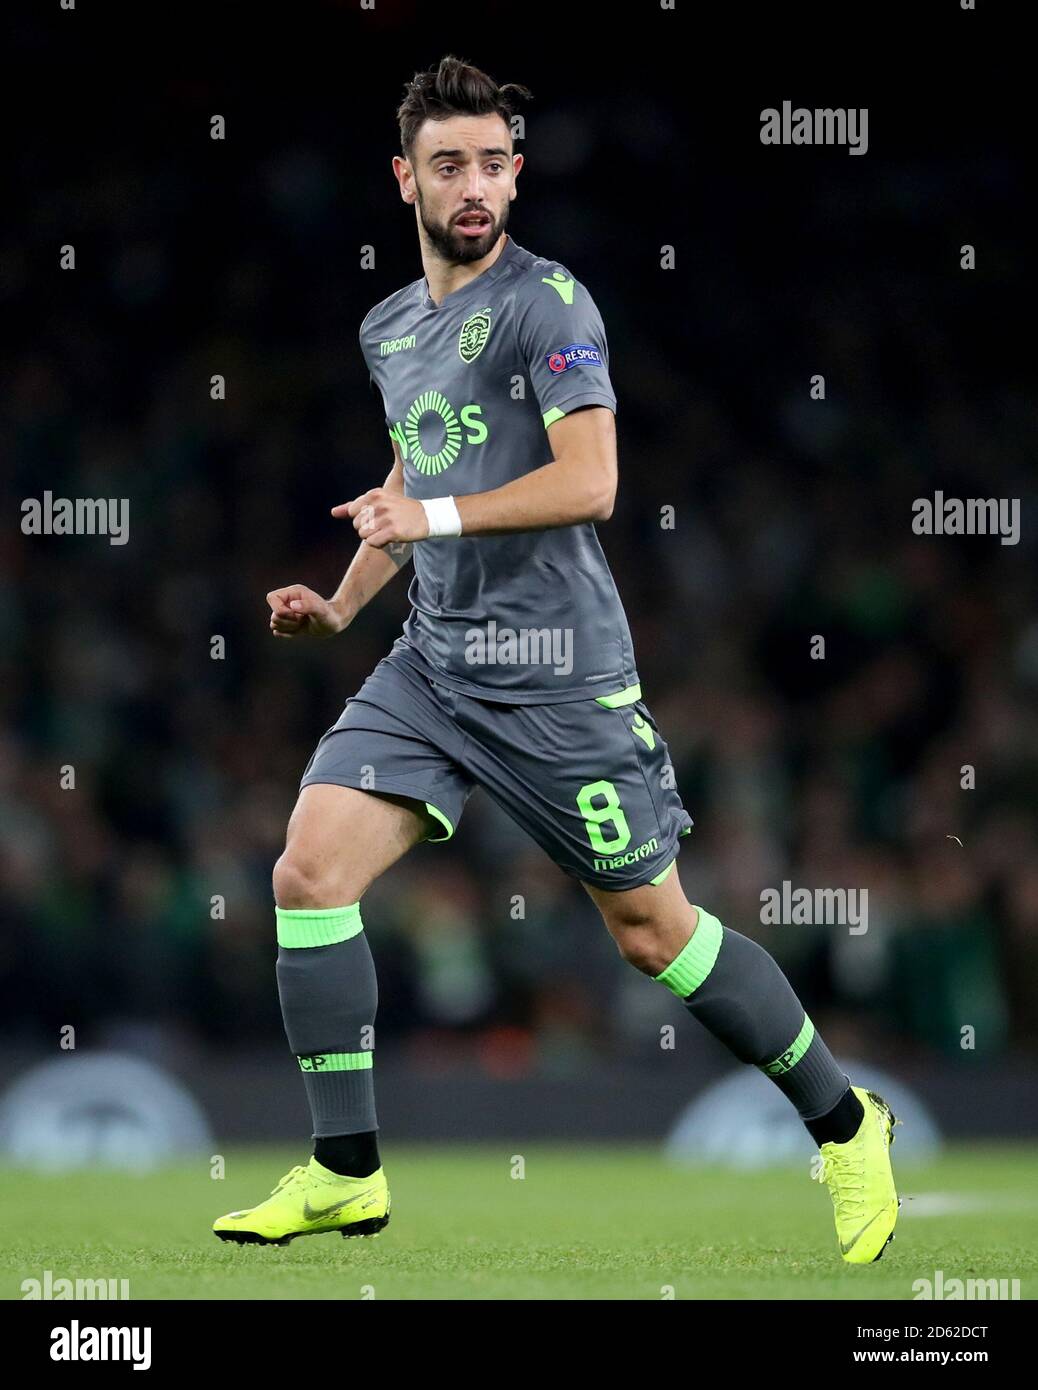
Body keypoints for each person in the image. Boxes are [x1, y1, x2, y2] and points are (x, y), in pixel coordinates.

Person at [213, 54, 899, 1263]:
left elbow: (594, 482)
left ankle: (846, 1126)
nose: (473, 185)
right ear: (404, 180)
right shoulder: (388, 325)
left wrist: (425, 524)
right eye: (448, 165)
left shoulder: (552, 305)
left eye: (491, 164)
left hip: (559, 676)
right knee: (308, 875)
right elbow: (412, 475)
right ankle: (344, 1171)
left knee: (653, 933)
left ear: (516, 175)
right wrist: (340, 603)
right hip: (432, 666)